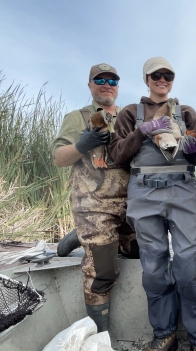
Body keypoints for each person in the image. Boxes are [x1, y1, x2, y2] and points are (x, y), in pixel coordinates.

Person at [108, 57, 196, 351]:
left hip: (183, 191)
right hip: (143, 194)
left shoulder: (187, 112)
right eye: (156, 75)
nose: (162, 79)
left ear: (172, 79)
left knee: (191, 266)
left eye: (167, 74)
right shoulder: (130, 113)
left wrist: (194, 149)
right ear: (146, 79)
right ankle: (164, 334)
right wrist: (142, 131)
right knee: (153, 267)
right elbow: (117, 154)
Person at [52, 63, 138, 339]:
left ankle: (83, 234)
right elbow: (58, 158)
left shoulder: (130, 116)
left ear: (118, 85)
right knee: (102, 271)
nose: (106, 84)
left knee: (142, 254)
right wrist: (82, 144)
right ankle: (101, 340)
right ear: (90, 85)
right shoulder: (78, 118)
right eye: (99, 79)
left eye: (112, 79)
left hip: (133, 208)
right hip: (95, 207)